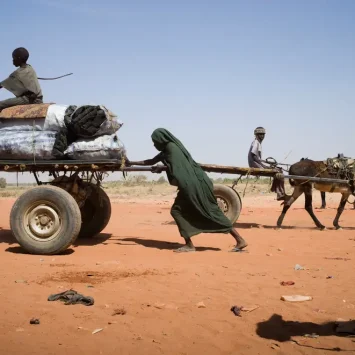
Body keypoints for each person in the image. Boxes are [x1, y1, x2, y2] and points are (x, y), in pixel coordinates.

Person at [132, 128, 248, 253]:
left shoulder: (171, 148)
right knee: (202, 210)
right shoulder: (168, 149)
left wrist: (163, 168)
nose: (154, 144)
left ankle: (190, 245)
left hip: (193, 185)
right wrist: (130, 162)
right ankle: (238, 240)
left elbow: (177, 168)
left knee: (188, 211)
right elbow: (151, 161)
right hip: (192, 183)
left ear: (161, 139)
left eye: (155, 141)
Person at [248, 127, 287, 201]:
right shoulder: (256, 142)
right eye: (260, 134)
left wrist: (267, 163)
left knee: (277, 169)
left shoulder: (256, 142)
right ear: (256, 135)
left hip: (255, 163)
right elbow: (254, 156)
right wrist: (264, 166)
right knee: (279, 172)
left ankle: (276, 190)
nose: (262, 136)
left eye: (263, 134)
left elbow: (257, 158)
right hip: (254, 164)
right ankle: (280, 193)